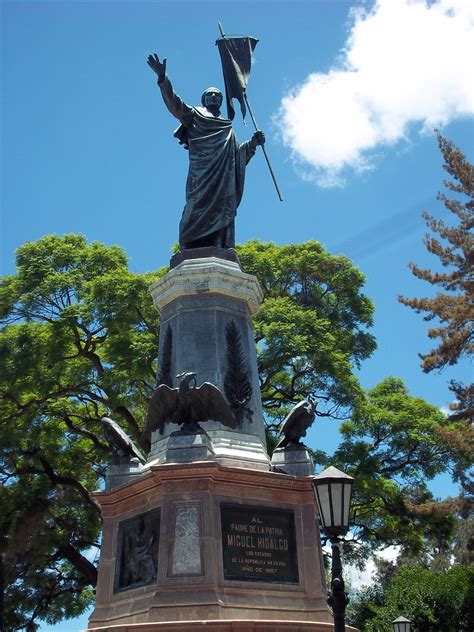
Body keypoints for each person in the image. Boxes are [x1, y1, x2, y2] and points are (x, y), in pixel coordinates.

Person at [147, 54, 265, 250]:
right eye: (209, 94)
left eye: (217, 95)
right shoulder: (195, 115)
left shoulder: (227, 127)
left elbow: (236, 157)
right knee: (193, 209)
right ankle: (189, 246)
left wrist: (252, 143)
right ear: (203, 99)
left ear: (221, 101)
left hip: (222, 178)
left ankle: (220, 244)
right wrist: (163, 79)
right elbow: (175, 104)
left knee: (222, 206)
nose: (213, 97)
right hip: (201, 173)